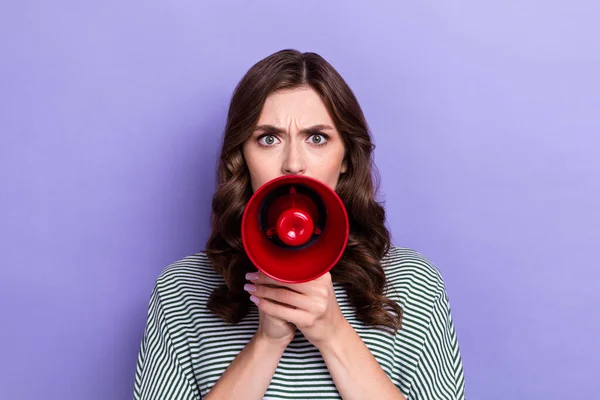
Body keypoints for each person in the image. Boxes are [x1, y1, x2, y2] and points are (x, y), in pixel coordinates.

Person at [133, 49, 465, 400]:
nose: (293, 163)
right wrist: (266, 342)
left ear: (346, 161)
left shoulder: (413, 284)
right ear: (241, 157)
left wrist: (333, 333)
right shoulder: (181, 290)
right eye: (268, 139)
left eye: (317, 138)